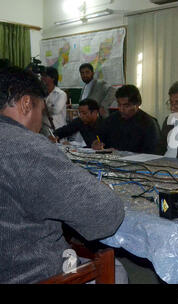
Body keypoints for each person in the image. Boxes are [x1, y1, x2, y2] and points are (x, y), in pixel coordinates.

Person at [0, 66, 126, 283]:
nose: (41, 123)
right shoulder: (27, 148)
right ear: (27, 103)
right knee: (118, 270)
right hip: (31, 273)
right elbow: (106, 216)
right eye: (42, 111)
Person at [92, 84, 161, 154]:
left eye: (126, 106)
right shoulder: (111, 119)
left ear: (137, 104)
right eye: (119, 105)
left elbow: (152, 153)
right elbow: (99, 136)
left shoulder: (149, 124)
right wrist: (96, 142)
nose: (121, 109)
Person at [40, 66, 67, 136]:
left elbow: (55, 110)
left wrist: (41, 107)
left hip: (58, 131)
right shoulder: (40, 94)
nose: (42, 78)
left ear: (53, 78)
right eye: (41, 76)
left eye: (45, 76)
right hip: (44, 131)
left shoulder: (61, 94)